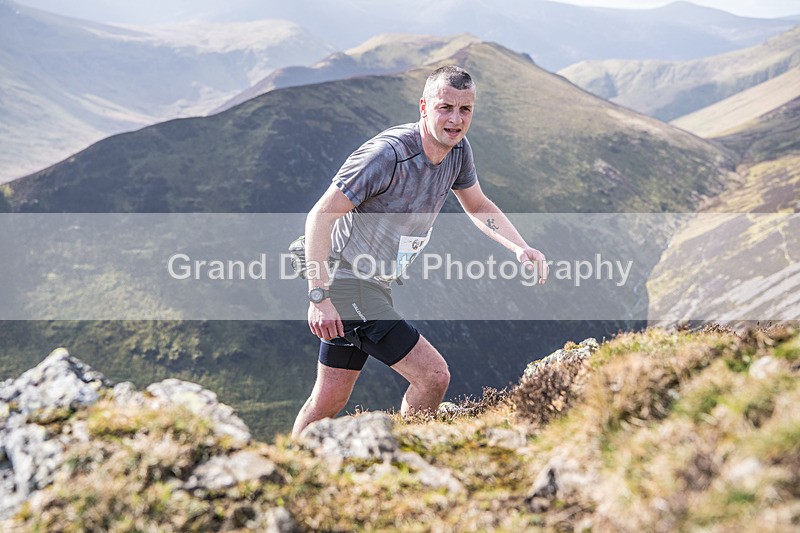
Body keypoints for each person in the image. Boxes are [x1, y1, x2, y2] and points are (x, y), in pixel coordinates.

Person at [291, 65, 547, 438]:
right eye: (446, 107)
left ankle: (292, 466)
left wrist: (520, 247)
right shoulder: (387, 156)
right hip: (346, 283)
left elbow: (477, 205)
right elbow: (320, 215)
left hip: (374, 283)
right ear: (424, 107)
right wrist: (319, 296)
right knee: (433, 376)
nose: (455, 120)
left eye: (465, 110)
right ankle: (412, 453)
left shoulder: (458, 152)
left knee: (329, 399)